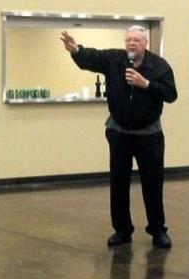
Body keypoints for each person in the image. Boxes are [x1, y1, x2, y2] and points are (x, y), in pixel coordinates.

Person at [60, 26, 177, 248]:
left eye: (136, 40)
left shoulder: (159, 66)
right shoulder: (115, 59)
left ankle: (158, 230)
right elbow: (93, 58)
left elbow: (171, 94)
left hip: (148, 135)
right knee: (118, 182)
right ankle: (122, 230)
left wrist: (146, 84)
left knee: (152, 184)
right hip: (119, 132)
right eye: (128, 40)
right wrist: (76, 50)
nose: (131, 44)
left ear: (145, 43)